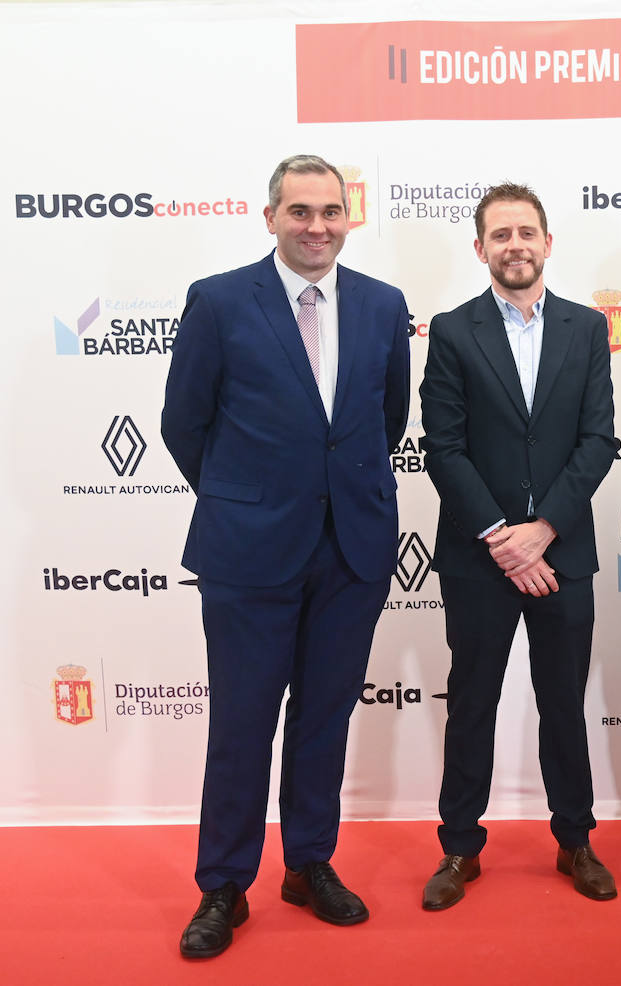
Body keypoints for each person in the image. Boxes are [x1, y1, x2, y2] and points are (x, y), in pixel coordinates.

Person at [162, 154, 411, 957]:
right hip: (248, 551)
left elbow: (388, 418)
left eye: (331, 211)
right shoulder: (221, 300)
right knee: (241, 722)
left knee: (324, 718)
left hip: (353, 550)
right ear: (270, 216)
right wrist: (246, 499)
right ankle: (222, 886)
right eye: (300, 211)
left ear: (349, 217)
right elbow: (184, 423)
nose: (317, 226)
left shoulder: (381, 305)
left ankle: (308, 863)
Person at [417, 183, 618, 909]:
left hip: (562, 552)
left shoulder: (586, 328)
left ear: (547, 243)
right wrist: (502, 538)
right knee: (472, 702)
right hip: (480, 557)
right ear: (480, 249)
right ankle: (459, 849)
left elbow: (599, 440)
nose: (516, 246)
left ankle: (575, 841)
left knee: (563, 701)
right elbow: (442, 447)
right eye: (500, 235)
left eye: (527, 232)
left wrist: (545, 531)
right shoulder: (452, 330)